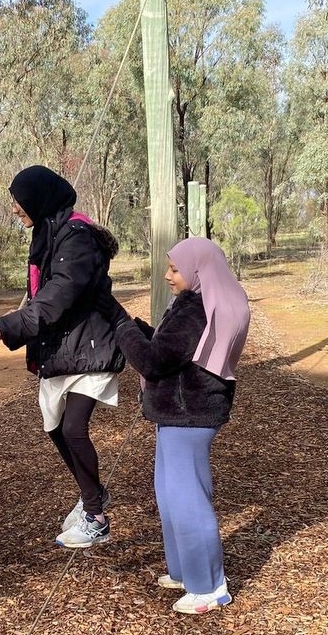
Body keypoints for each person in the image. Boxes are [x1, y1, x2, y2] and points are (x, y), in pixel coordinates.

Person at [100, 237, 250, 614]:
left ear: (197, 270)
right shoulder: (192, 304)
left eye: (174, 268)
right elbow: (168, 347)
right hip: (176, 414)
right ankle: (184, 570)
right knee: (169, 492)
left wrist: (122, 328)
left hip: (189, 415)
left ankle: (210, 586)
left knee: (188, 499)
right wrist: (132, 325)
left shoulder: (195, 310)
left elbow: (154, 361)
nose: (168, 275)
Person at [0, 166, 125, 548]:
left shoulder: (76, 237)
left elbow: (60, 292)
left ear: (39, 198)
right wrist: (6, 326)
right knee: (55, 427)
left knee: (74, 428)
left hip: (90, 346)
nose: (14, 208)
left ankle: (96, 516)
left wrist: (12, 327)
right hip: (63, 348)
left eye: (18, 200)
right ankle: (92, 494)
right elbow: (41, 292)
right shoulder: (50, 234)